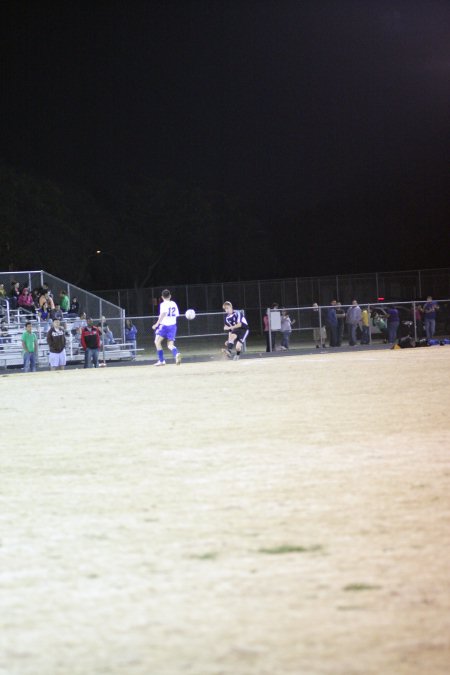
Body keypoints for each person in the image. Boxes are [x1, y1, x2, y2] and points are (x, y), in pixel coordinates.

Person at [152, 289, 182, 366]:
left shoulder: (163, 304)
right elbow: (176, 315)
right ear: (170, 296)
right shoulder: (174, 303)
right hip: (173, 326)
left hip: (164, 326)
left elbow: (163, 314)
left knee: (157, 342)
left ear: (162, 297)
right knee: (170, 345)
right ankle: (176, 354)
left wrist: (156, 324)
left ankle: (161, 361)